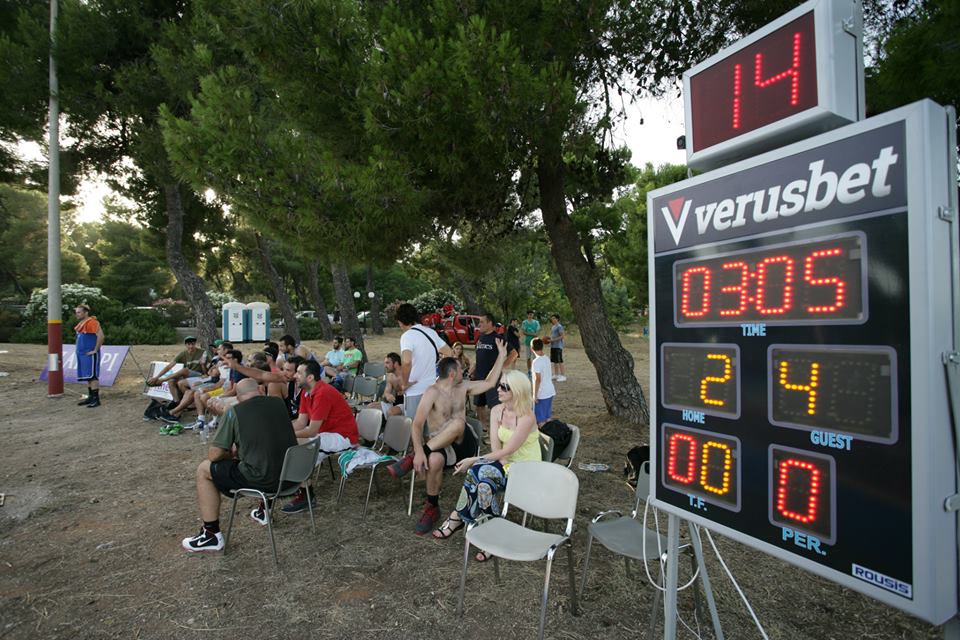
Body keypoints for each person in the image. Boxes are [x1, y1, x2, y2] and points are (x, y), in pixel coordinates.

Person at [388, 340, 507, 535]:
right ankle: (432, 507)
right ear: (452, 374)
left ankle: (409, 460)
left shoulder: (463, 387)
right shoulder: (432, 392)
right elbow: (416, 425)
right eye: (461, 370)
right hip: (441, 445)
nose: (464, 372)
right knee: (434, 460)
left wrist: (501, 356)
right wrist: (419, 452)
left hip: (464, 445)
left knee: (459, 423)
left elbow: (490, 382)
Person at [181, 379, 297, 552]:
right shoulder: (278, 403)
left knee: (204, 469)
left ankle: (211, 534)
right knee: (264, 453)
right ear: (260, 389)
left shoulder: (234, 412)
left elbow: (214, 454)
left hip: (266, 480)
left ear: (238, 397)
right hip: (292, 475)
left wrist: (232, 453)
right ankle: (264, 510)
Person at [431, 369, 541, 550]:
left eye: (505, 387)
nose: (498, 389)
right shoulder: (497, 411)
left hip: (526, 470)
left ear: (517, 391)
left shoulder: (527, 417)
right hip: (504, 462)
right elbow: (496, 448)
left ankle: (457, 518)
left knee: (476, 470)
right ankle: (493, 534)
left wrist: (473, 459)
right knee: (483, 483)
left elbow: (509, 449)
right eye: (499, 384)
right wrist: (498, 462)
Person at [282, 359, 359, 513]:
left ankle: (305, 494)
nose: (295, 376)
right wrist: (281, 430)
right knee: (296, 443)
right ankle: (300, 488)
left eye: (299, 373)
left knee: (298, 444)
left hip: (344, 437)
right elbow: (301, 422)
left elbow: (311, 431)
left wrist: (285, 435)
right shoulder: (306, 392)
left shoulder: (323, 393)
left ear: (310, 378)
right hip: (326, 433)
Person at [396, 302, 452, 420]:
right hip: (432, 390)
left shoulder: (407, 336)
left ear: (401, 321)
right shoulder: (431, 332)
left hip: (414, 391)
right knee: (429, 432)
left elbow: (406, 362)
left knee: (415, 431)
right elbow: (449, 353)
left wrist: (404, 384)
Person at [471, 313, 517, 427]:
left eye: (482, 322)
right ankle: (484, 428)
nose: (479, 324)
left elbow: (514, 353)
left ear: (490, 323)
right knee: (479, 405)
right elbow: (480, 356)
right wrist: (474, 368)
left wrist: (502, 367)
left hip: (493, 380)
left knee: (495, 406)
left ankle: (496, 428)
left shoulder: (498, 338)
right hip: (479, 378)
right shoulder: (480, 338)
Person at [147, 336, 208, 403]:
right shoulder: (183, 354)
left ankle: (162, 380)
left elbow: (208, 369)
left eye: (193, 344)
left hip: (200, 375)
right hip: (188, 376)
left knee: (185, 370)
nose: (191, 346)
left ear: (195, 344)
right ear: (185, 345)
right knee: (171, 381)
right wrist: (156, 377)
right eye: (189, 344)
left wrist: (203, 366)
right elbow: (169, 366)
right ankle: (176, 402)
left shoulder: (203, 352)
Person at [74, 304, 105, 408]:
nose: (76, 314)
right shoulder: (81, 323)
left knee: (93, 376)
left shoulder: (92, 322)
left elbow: (100, 336)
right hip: (82, 354)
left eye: (79, 312)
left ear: (85, 312)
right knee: (87, 376)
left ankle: (96, 399)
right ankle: (91, 397)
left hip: (89, 354)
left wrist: (95, 350)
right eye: (76, 312)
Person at [368, 352, 404, 417]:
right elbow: (386, 393)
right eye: (385, 363)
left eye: (387, 363)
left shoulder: (406, 374)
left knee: (390, 412)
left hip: (406, 403)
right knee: (370, 407)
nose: (385, 366)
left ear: (395, 364)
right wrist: (388, 395)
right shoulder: (390, 376)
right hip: (395, 402)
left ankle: (391, 426)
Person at [530, 338, 556, 426]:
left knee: (540, 420)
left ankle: (543, 437)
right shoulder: (546, 358)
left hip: (542, 394)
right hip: (550, 391)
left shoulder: (535, 362)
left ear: (532, 348)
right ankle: (550, 435)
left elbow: (538, 379)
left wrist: (535, 395)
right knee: (547, 417)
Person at [521, 310, 541, 374]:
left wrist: (530, 333)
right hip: (527, 342)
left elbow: (537, 333)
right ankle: (529, 370)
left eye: (532, 314)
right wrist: (533, 334)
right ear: (527, 315)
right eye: (529, 314)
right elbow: (524, 332)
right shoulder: (524, 322)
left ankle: (535, 370)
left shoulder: (536, 322)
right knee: (528, 358)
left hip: (535, 342)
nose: (530, 315)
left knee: (535, 358)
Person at [549, 314, 567, 382]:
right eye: (552, 318)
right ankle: (556, 374)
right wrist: (549, 339)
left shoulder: (559, 326)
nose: (552, 320)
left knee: (560, 360)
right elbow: (553, 336)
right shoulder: (553, 326)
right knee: (554, 361)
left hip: (558, 346)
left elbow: (562, 336)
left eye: (554, 318)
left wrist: (553, 340)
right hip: (553, 346)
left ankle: (563, 376)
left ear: (557, 319)